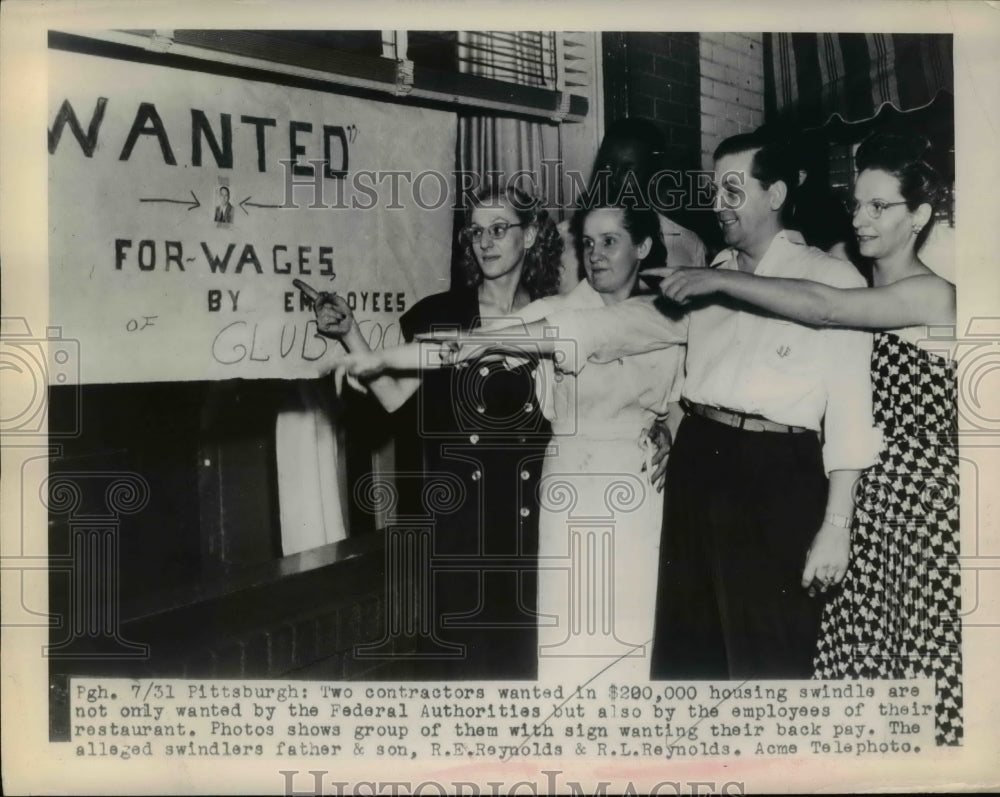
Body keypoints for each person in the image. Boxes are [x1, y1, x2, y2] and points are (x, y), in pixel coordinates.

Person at [535, 131, 882, 679]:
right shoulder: (706, 275)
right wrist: (673, 426)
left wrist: (837, 524)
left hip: (777, 476)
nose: (717, 203)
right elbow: (680, 372)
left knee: (765, 656)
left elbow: (849, 415)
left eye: (732, 189)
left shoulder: (830, 278)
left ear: (775, 195)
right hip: (699, 465)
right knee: (688, 657)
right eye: (714, 189)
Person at [651, 132, 961, 744]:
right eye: (858, 205)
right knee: (851, 660)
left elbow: (824, 309)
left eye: (881, 207)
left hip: (918, 498)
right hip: (870, 494)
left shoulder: (923, 292)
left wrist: (718, 282)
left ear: (920, 216)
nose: (861, 218)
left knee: (912, 652)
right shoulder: (859, 282)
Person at [314, 183, 563, 679]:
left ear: (531, 235)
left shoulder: (555, 315)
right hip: (460, 519)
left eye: (499, 229)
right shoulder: (440, 314)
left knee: (525, 663)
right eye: (476, 231)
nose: (485, 242)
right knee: (460, 661)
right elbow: (392, 396)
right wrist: (349, 333)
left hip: (532, 516)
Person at [556, 117, 708, 296]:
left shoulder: (687, 245)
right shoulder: (563, 238)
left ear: (652, 175)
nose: (613, 177)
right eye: (607, 165)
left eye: (628, 170)